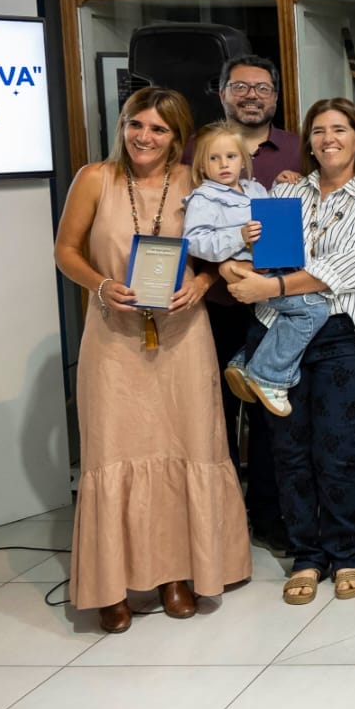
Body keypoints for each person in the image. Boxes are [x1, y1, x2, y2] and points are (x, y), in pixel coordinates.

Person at [55, 87, 251, 633]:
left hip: (183, 334)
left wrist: (203, 283)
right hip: (113, 335)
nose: (144, 137)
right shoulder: (94, 178)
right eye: (135, 124)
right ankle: (111, 586)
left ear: (178, 137)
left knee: (185, 446)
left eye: (159, 129)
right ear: (122, 125)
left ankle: (178, 575)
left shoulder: (196, 180)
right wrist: (100, 286)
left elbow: (228, 244)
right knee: (114, 450)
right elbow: (65, 251)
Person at [224, 98, 355, 604]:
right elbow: (262, 253)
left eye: (340, 129)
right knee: (289, 453)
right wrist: (241, 263)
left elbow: (350, 269)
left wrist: (271, 287)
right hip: (279, 332)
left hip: (344, 340)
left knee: (338, 453)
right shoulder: (286, 192)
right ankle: (306, 555)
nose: (328, 139)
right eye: (318, 131)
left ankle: (345, 553)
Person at [198, 54, 300, 552]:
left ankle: (267, 514)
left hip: (278, 304)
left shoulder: (297, 150)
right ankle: (217, 517)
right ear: (222, 93)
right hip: (215, 306)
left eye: (262, 88)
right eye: (241, 87)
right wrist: (219, 268)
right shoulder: (198, 150)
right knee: (214, 411)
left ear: (276, 97)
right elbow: (184, 227)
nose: (252, 96)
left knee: (269, 413)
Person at [182, 121, 329, 416]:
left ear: (243, 160)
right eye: (214, 158)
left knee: (290, 312)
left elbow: (270, 217)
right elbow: (194, 242)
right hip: (246, 276)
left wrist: (281, 184)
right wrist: (237, 236)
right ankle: (268, 374)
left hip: (276, 268)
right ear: (202, 165)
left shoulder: (256, 188)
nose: (224, 164)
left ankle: (244, 361)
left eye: (231, 156)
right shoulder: (204, 197)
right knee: (313, 310)